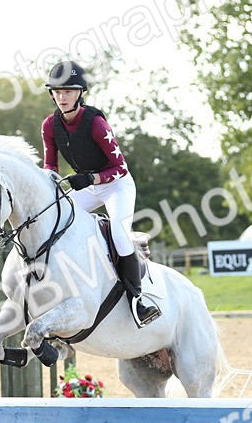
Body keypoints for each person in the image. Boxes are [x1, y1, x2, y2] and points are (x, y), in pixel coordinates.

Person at [40, 60, 162, 327]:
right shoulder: (49, 126)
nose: (62, 97)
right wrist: (50, 181)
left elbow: (120, 167)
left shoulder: (96, 124)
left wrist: (91, 178)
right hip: (89, 187)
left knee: (119, 233)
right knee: (53, 221)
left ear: (80, 93)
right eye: (58, 92)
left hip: (117, 185)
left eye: (68, 91)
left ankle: (138, 300)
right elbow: (50, 165)